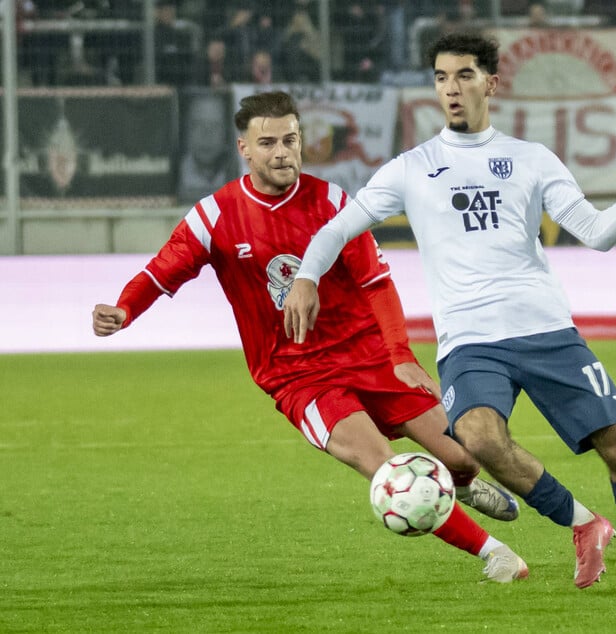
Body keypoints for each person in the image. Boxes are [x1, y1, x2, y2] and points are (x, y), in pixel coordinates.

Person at [284, 32, 616, 593]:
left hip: (545, 327)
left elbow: (597, 234)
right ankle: (584, 524)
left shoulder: (530, 159)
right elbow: (336, 228)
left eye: (463, 76)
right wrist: (306, 275)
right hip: (470, 340)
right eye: (440, 78)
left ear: (491, 83)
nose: (450, 89)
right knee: (478, 438)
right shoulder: (412, 167)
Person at [92, 90, 528, 584]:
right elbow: (161, 271)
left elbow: (377, 284)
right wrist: (124, 308)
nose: (282, 152)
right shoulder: (215, 216)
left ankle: (463, 484)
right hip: (299, 376)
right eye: (269, 142)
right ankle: (497, 555)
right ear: (245, 149)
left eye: (291, 140)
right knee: (389, 472)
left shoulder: (335, 204)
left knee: (463, 455)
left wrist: (400, 354)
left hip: (369, 355)